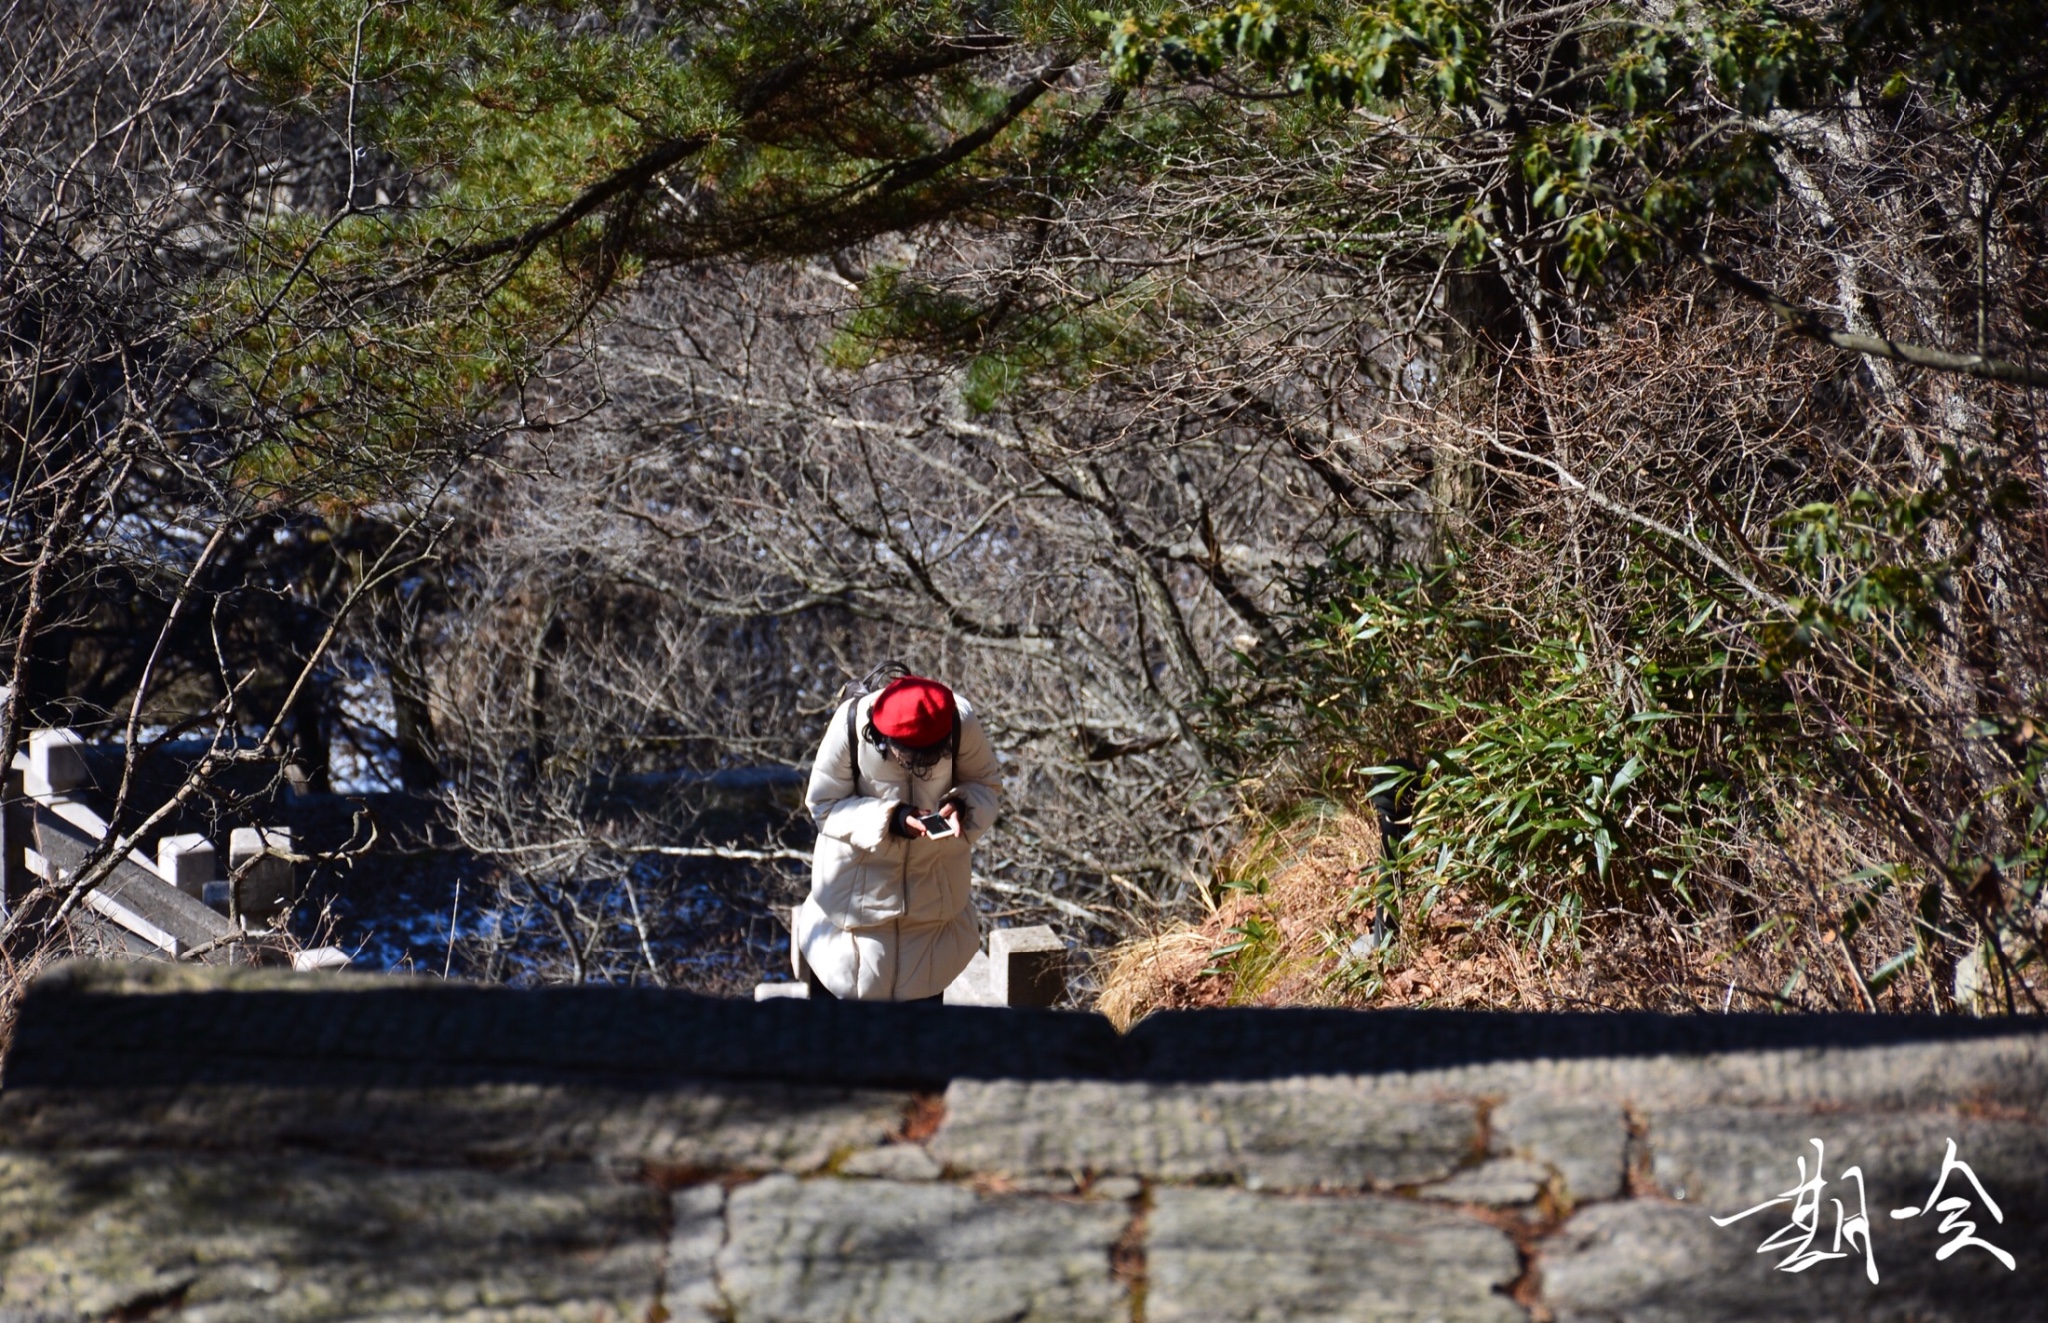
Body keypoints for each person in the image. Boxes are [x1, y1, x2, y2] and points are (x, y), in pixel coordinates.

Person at [794, 672, 1001, 1001]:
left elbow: (985, 785)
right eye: (908, 758)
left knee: (919, 1043)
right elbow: (823, 804)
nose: (917, 766)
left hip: (932, 911)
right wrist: (893, 819)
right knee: (842, 1041)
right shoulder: (850, 722)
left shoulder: (959, 721)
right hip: (854, 911)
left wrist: (961, 807)